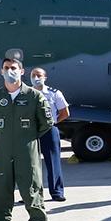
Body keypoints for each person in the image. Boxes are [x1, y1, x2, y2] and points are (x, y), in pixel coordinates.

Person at [0, 57, 53, 221]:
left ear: (22, 71)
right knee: (1, 190)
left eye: (13, 68)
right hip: (4, 150)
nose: (10, 71)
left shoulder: (34, 96)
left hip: (27, 149)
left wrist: (27, 136)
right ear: (1, 71)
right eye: (6, 68)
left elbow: (45, 123)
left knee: (31, 188)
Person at [30, 68, 70, 202]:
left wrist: (52, 122)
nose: (36, 77)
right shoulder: (26, 93)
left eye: (39, 75)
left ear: (45, 77)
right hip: (30, 131)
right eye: (33, 75)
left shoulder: (54, 93)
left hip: (48, 130)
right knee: (29, 163)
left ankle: (57, 192)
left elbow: (65, 112)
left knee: (53, 162)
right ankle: (30, 193)